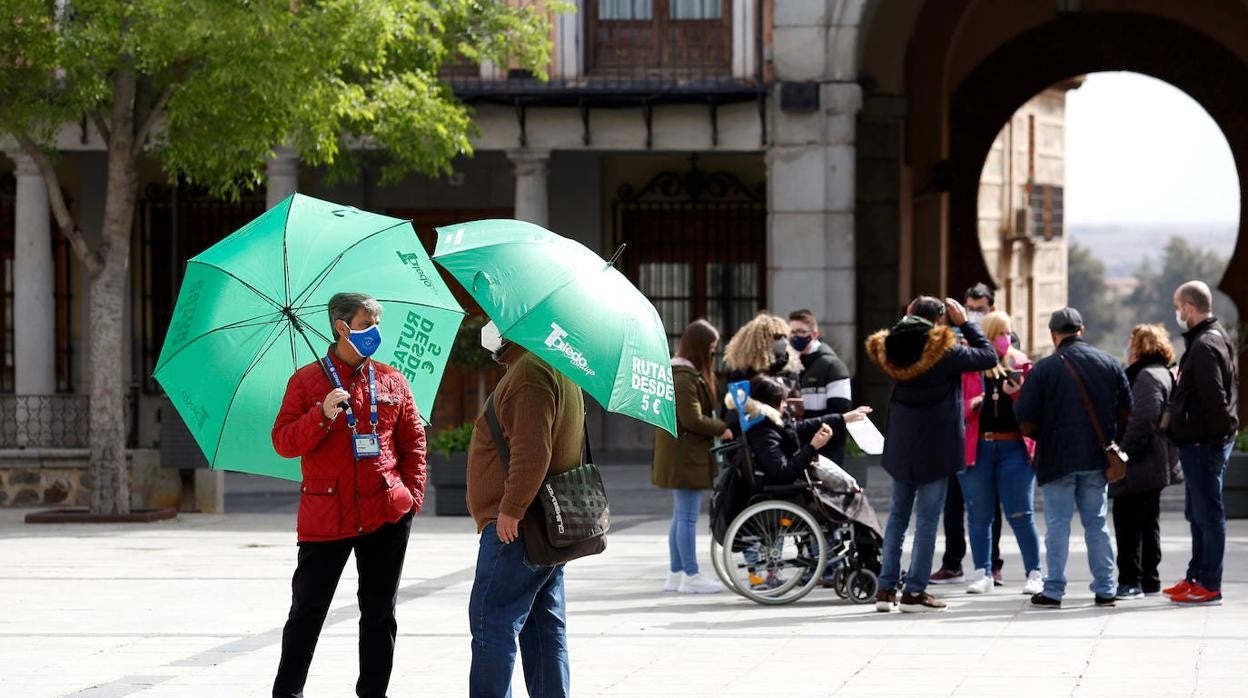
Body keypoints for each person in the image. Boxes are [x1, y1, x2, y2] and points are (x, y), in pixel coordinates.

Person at [271, 292, 426, 698]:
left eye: (377, 324)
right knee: (307, 611)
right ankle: (287, 692)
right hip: (326, 515)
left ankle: (373, 692)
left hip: (386, 512)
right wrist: (319, 415)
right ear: (341, 327)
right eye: (366, 324)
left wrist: (410, 498)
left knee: (379, 613)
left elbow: (414, 443)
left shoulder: (393, 379)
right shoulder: (306, 381)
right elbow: (284, 442)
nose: (375, 332)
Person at [466, 320, 584, 697]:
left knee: (491, 619)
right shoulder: (553, 366)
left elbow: (533, 451)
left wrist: (511, 508)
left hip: (520, 527)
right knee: (543, 626)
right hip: (545, 523)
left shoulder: (529, 372)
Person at [865, 296, 998, 613]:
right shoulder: (945, 349)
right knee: (926, 521)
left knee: (897, 517)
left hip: (902, 443)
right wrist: (965, 322)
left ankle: (885, 590)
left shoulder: (889, 347)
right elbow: (988, 356)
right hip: (936, 445)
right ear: (940, 319)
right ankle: (914, 592)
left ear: (909, 313)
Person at [1015, 307, 1131, 609]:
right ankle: (1106, 588)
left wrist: (1045, 435)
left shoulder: (1044, 369)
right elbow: (1126, 412)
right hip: (1096, 457)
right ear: (1082, 329)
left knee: (1057, 525)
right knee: (1097, 524)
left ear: (1054, 335)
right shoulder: (1109, 363)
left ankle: (1053, 590)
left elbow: (1025, 419)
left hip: (1056, 460)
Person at [957, 311, 1044, 596]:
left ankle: (1034, 573)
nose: (1005, 339)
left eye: (1008, 332)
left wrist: (1017, 394)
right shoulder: (970, 366)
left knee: (1021, 512)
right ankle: (983, 571)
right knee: (979, 514)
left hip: (1013, 449)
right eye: (999, 333)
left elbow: (1035, 409)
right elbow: (953, 404)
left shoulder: (1021, 364)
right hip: (978, 447)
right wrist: (972, 404)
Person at [1165, 281, 1240, 606]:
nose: (1178, 313)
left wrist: (1216, 439)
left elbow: (1215, 399)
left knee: (1209, 516)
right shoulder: (1212, 337)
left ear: (1190, 308)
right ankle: (1195, 576)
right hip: (1198, 442)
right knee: (1196, 514)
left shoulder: (1206, 344)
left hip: (1202, 444)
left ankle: (1210, 584)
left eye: (1179, 307)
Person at [931, 283, 1005, 587]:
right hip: (956, 431)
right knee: (952, 502)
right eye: (970, 307)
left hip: (987, 432)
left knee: (990, 504)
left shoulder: (1001, 339)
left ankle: (992, 564)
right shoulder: (952, 338)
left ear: (991, 309)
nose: (974, 313)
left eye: (980, 308)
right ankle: (952, 562)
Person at [652, 319, 732, 594]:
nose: (713, 353)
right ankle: (691, 574)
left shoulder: (678, 373)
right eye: (711, 348)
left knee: (680, 515)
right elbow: (692, 419)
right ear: (699, 347)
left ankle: (676, 573)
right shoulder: (684, 377)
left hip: (679, 452)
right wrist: (723, 429)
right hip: (686, 454)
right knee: (686, 516)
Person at [1113, 324, 1182, 600]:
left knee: (1128, 523)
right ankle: (1149, 579)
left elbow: (1143, 420)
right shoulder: (1162, 372)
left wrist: (1123, 453)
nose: (1128, 349)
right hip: (1155, 459)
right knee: (1147, 522)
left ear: (1139, 346)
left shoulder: (1146, 376)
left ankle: (1131, 580)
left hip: (1141, 462)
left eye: (1132, 343)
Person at [788, 309, 853, 464]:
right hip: (798, 447)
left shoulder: (833, 366)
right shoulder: (789, 365)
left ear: (814, 334)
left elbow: (840, 413)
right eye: (791, 332)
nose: (795, 336)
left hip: (826, 449)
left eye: (801, 331)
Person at [722, 312, 801, 435]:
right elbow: (733, 410)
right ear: (762, 342)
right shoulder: (743, 373)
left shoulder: (788, 371)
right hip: (754, 435)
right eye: (778, 337)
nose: (784, 342)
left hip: (785, 432)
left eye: (785, 337)